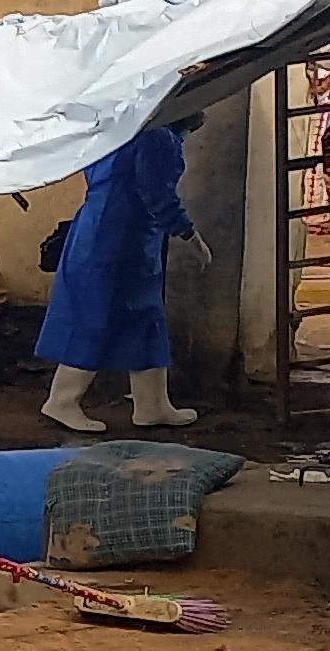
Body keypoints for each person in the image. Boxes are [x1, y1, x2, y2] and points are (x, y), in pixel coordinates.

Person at [35, 118, 210, 432]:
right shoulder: (157, 139)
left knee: (144, 319)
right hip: (119, 238)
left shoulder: (119, 128)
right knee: (96, 316)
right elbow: (158, 196)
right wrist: (189, 235)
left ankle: (152, 404)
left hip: (107, 231)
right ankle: (62, 400)